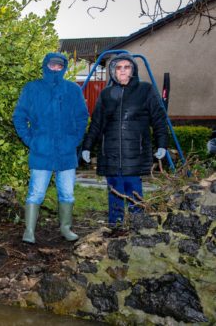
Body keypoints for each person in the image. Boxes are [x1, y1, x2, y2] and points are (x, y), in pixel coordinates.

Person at [81, 53, 168, 226]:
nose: (122, 71)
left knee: (134, 190)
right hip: (110, 153)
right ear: (113, 71)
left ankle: (137, 226)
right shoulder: (106, 94)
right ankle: (116, 227)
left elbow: (159, 119)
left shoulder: (145, 90)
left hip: (135, 152)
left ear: (133, 70)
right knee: (114, 190)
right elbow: (96, 123)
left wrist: (162, 144)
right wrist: (87, 146)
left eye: (126, 67)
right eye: (118, 67)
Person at [13, 52, 89, 244]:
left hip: (66, 151)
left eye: (59, 65)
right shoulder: (32, 88)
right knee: (36, 192)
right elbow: (19, 117)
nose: (55, 68)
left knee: (67, 192)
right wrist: (31, 140)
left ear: (63, 68)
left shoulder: (73, 89)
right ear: (45, 65)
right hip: (41, 150)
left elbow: (82, 117)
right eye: (52, 65)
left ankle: (65, 228)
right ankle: (29, 230)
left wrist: (74, 140)